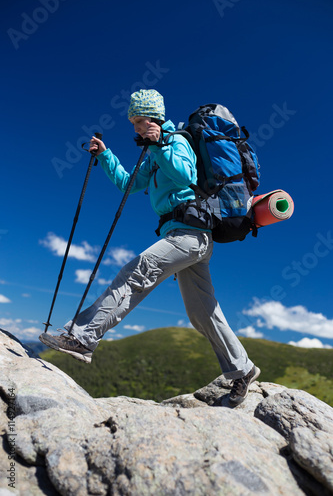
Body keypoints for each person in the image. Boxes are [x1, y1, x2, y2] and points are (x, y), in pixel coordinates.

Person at [39, 89, 260, 405]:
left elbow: (186, 174)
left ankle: (82, 337)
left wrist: (162, 144)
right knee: (203, 312)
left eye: (139, 121)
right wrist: (105, 155)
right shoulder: (154, 152)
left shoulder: (176, 140)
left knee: (135, 273)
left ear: (154, 118)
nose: (136, 129)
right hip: (185, 237)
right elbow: (130, 185)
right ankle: (243, 370)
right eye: (133, 123)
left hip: (190, 234)